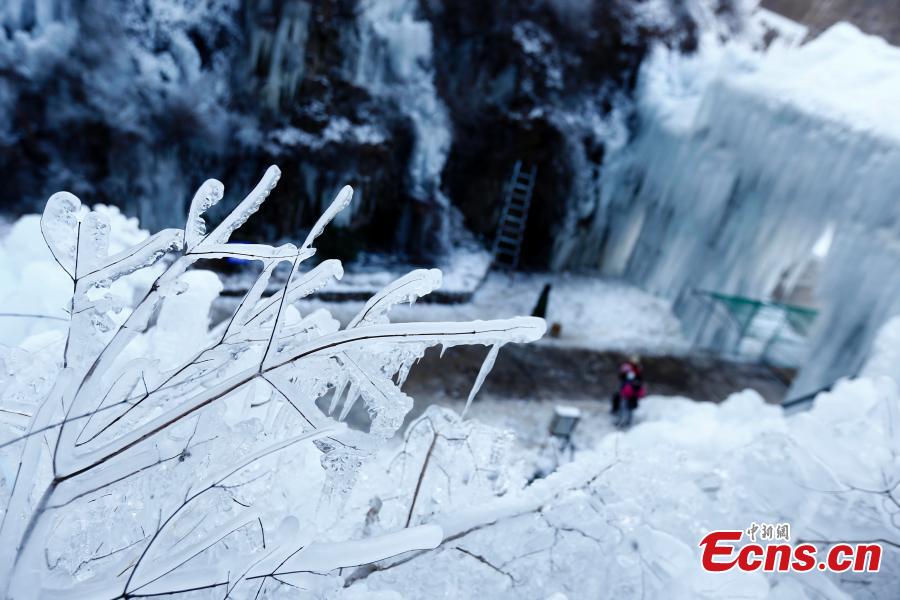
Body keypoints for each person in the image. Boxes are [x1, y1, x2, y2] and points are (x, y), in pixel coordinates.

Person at [611, 355, 645, 427]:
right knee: (624, 406)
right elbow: (621, 377)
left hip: (631, 393)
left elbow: (640, 381)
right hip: (627, 391)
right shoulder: (628, 368)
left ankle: (626, 422)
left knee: (628, 407)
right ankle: (622, 421)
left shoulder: (637, 369)